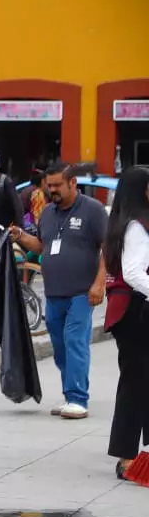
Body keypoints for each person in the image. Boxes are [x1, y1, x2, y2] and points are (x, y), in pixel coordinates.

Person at [11, 162, 108, 419]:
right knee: (60, 345)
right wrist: (20, 235)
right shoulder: (48, 214)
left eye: (57, 185)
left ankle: (78, 398)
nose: (52, 190)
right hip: (54, 292)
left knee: (75, 341)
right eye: (49, 185)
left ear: (72, 183)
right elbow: (42, 246)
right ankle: (70, 395)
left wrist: (100, 283)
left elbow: (109, 248)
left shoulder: (93, 211)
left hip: (81, 291)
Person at [101, 166, 149, 480]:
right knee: (135, 384)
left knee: (140, 382)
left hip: (132, 310)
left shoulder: (124, 223)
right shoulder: (136, 226)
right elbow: (133, 273)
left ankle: (134, 453)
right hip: (135, 311)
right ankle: (127, 457)